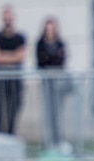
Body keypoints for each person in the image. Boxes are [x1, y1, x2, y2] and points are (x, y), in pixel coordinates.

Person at [0, 5, 26, 135]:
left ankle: (11, 136)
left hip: (15, 80)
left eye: (10, 17)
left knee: (13, 110)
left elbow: (20, 57)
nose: (8, 20)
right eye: (6, 18)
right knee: (0, 110)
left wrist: (3, 56)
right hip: (0, 80)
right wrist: (12, 57)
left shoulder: (20, 38)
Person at [36, 17, 68, 150]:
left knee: (58, 114)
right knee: (48, 114)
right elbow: (42, 61)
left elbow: (61, 60)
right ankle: (49, 142)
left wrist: (52, 58)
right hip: (46, 83)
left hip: (57, 84)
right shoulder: (41, 44)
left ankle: (58, 141)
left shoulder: (60, 43)